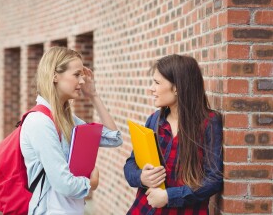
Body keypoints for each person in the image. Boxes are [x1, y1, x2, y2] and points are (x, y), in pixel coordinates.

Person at [20, 47, 123, 215]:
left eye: (82, 75)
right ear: (55, 77)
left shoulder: (67, 118)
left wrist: (94, 95)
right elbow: (64, 184)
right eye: (76, 75)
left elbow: (114, 138)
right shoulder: (40, 121)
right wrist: (92, 182)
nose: (82, 81)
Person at [124, 54, 223, 214]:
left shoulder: (209, 123)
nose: (151, 88)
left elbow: (213, 179)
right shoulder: (154, 119)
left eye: (157, 82)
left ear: (176, 87)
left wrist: (169, 196)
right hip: (143, 210)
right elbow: (131, 163)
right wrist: (141, 177)